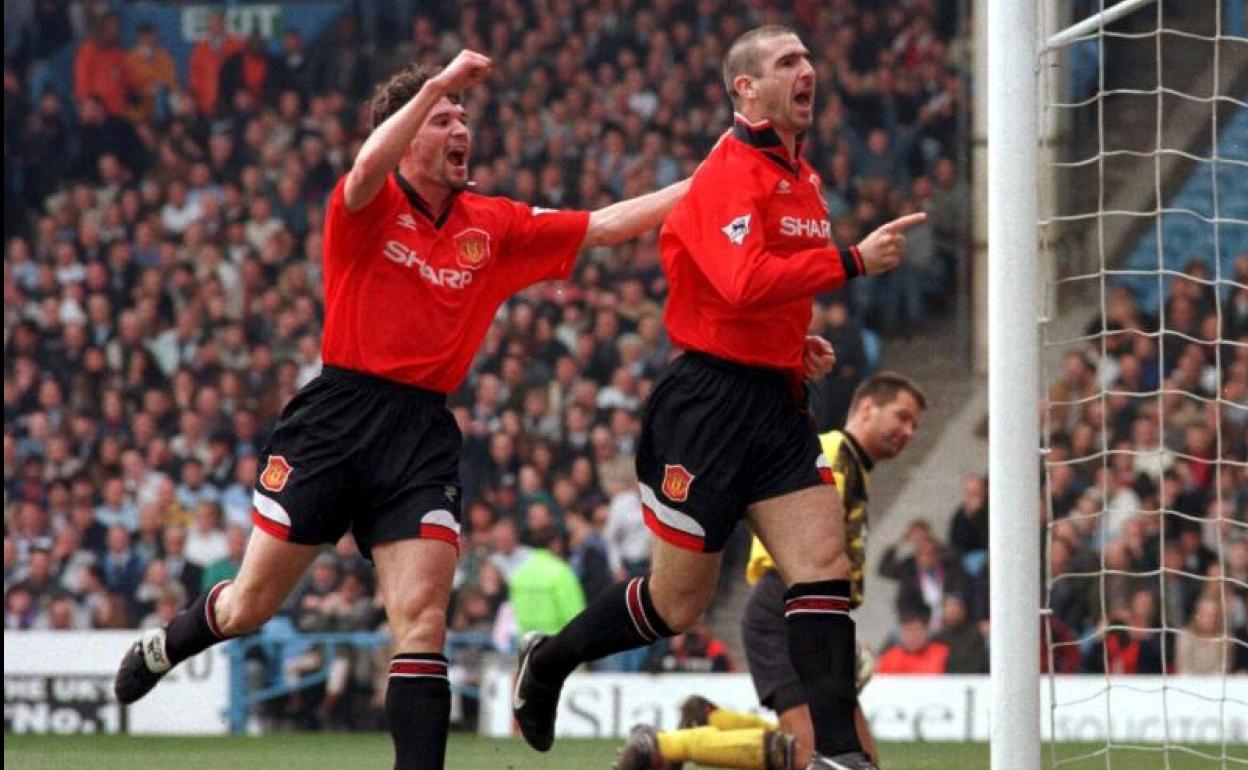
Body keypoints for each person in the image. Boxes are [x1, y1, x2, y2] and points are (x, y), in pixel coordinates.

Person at [112, 49, 689, 770]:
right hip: (336, 419)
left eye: (463, 118)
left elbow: (603, 224)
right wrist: (436, 82)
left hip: (420, 434)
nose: (461, 128)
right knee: (249, 607)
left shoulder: (493, 223)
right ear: (406, 133)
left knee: (421, 622)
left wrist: (709, 179)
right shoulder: (366, 205)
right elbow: (363, 168)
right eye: (442, 118)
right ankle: (167, 644)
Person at [511, 26, 925, 770]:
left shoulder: (805, 180)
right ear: (747, 89)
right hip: (706, 406)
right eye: (787, 61)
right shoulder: (727, 170)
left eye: (807, 58)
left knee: (822, 565)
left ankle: (839, 754)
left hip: (776, 401)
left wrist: (789, 346)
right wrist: (854, 260)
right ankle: (549, 661)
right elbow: (740, 280)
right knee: (677, 606)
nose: (807, 69)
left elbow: (758, 290)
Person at [615, 373, 926, 770]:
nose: (908, 431)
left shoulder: (852, 463)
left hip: (802, 609)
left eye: (914, 425)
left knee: (856, 761)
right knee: (814, 756)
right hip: (787, 608)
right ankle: (663, 747)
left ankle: (712, 721)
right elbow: (809, 545)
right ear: (867, 408)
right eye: (902, 416)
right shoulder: (833, 452)